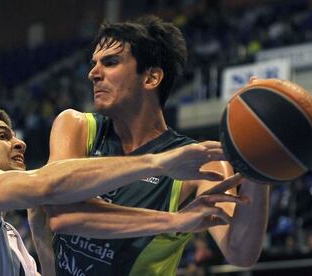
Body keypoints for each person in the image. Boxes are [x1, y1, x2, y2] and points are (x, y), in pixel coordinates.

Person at [47, 16, 269, 275]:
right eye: (94, 63)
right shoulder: (76, 126)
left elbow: (241, 253)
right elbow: (61, 214)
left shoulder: (201, 162)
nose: (93, 73)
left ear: (151, 78)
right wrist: (175, 221)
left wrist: (261, 158)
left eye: (110, 63)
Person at [0, 108, 244, 275]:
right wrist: (159, 163)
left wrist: (42, 240)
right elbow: (46, 183)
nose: (19, 142)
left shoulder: (11, 240)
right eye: (2, 136)